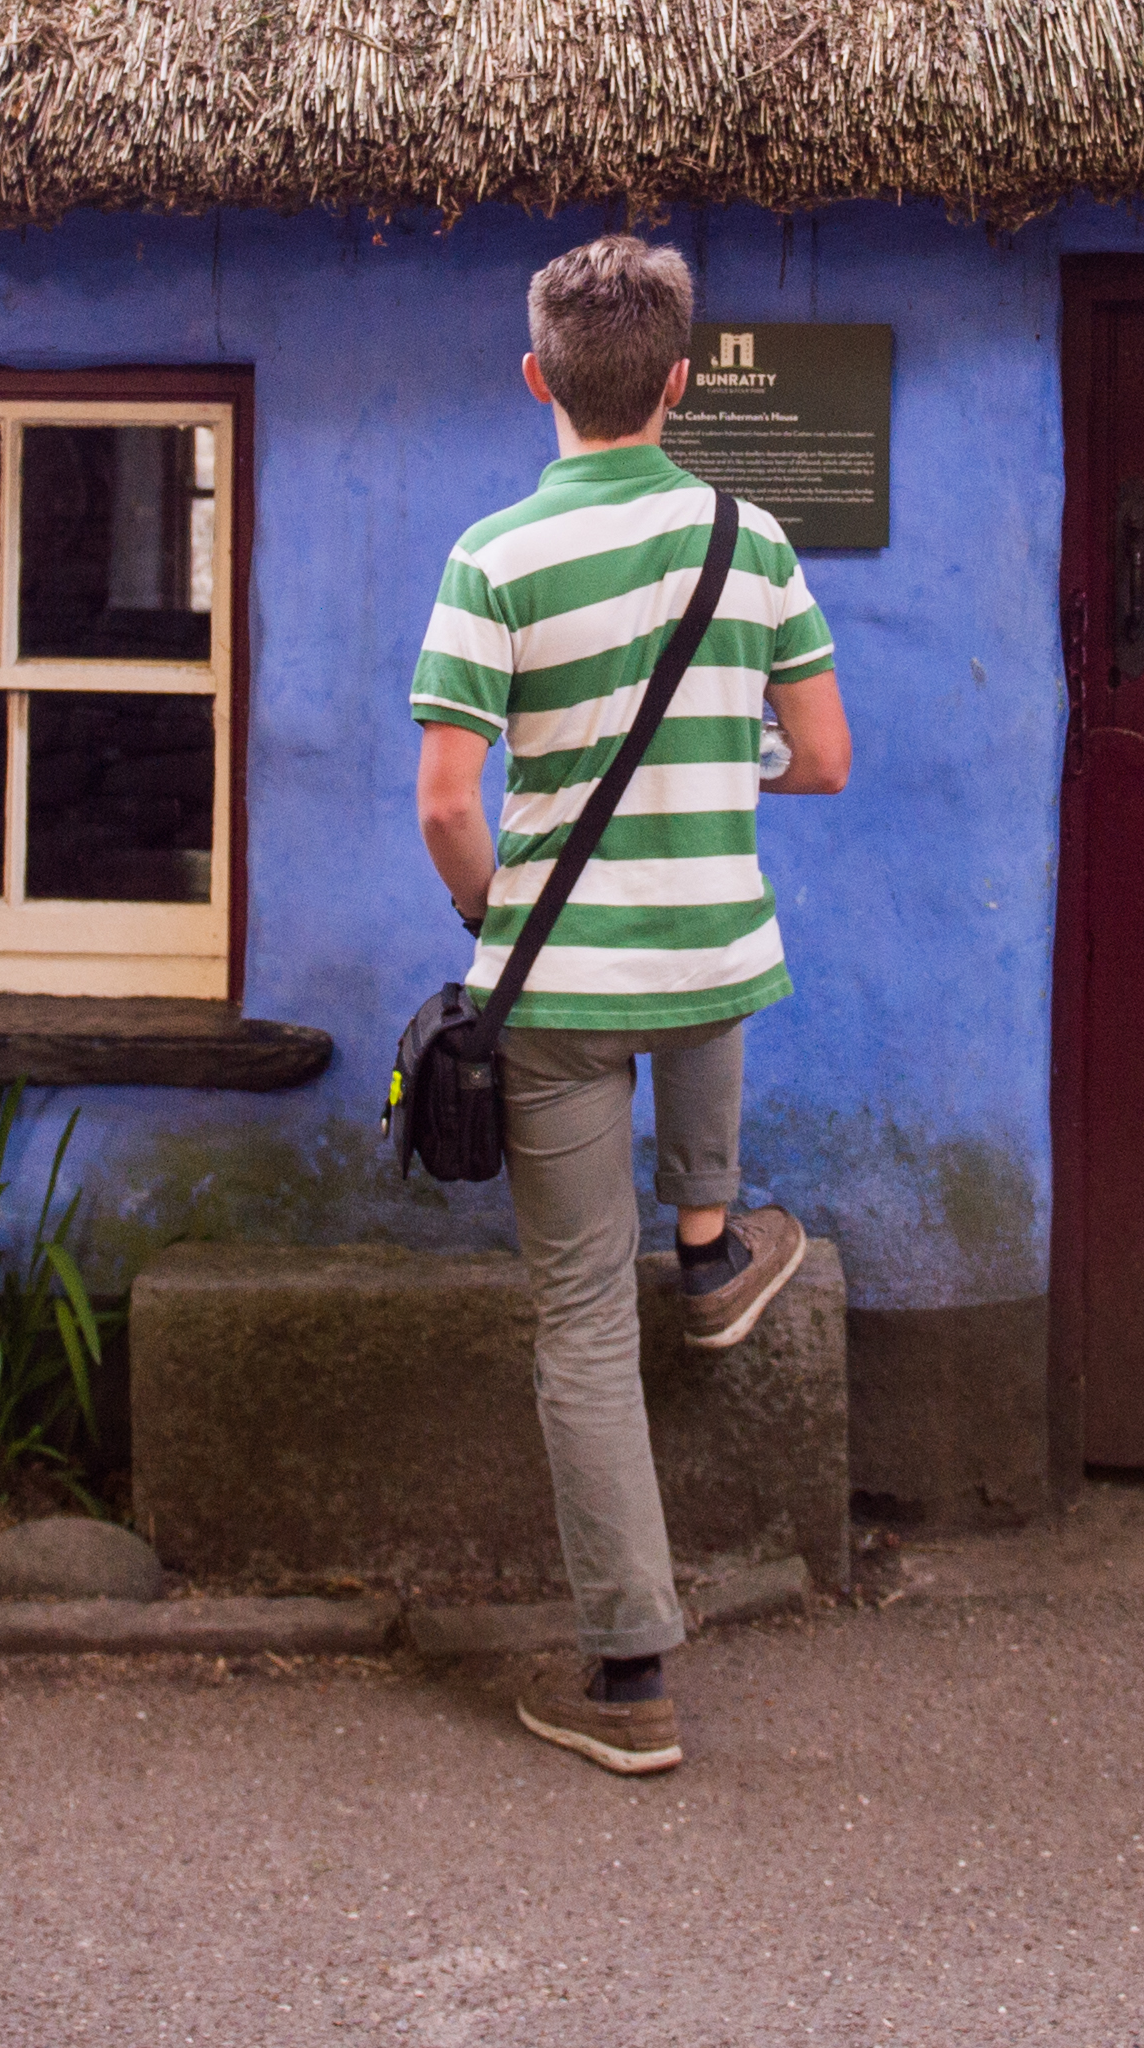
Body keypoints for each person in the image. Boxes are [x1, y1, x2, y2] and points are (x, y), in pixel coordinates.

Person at [409, 232, 850, 1778]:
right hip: (706, 961)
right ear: (678, 383)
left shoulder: (493, 559)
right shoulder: (757, 543)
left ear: (539, 380)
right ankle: (717, 1241)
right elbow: (825, 756)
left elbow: (447, 802)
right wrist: (715, 780)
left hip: (559, 985)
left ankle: (630, 1675)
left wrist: (489, 912)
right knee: (706, 974)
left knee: (580, 1324)